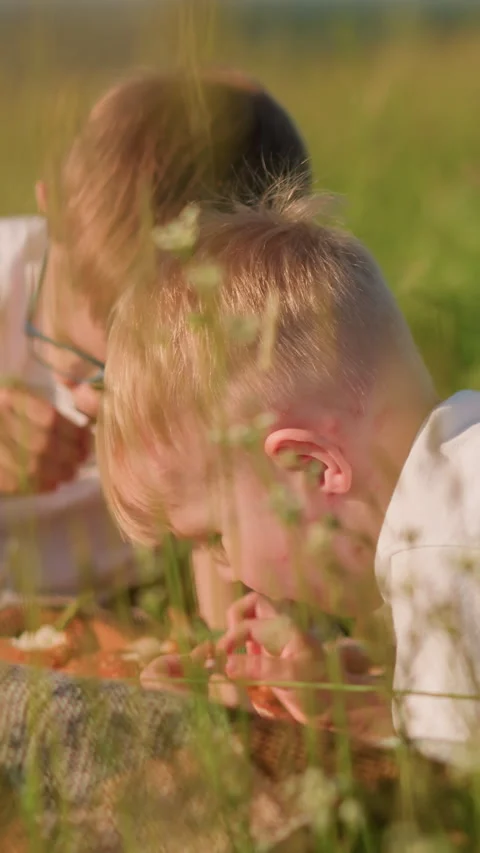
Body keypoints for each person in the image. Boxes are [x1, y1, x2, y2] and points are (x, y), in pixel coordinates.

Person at [98, 194, 480, 762]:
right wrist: (360, 703)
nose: (225, 569)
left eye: (215, 539)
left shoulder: (439, 560)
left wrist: (206, 737)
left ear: (312, 465)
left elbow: (448, 808)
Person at [0, 70, 311, 609]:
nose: (89, 403)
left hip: (123, 606)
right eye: (81, 366)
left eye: (121, 383)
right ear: (52, 210)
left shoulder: (256, 355)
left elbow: (231, 591)